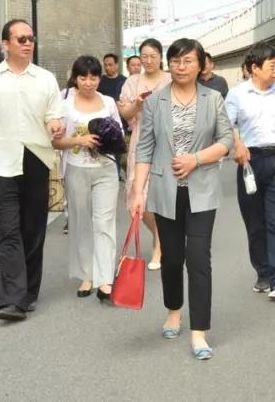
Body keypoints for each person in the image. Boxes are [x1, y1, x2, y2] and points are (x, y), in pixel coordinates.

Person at [130, 38, 232, 361]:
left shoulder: (213, 99)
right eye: (175, 61)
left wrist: (196, 159)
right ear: (168, 64)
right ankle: (173, 310)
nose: (181, 67)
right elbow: (145, 148)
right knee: (172, 258)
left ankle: (199, 331)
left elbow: (226, 140)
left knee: (199, 258)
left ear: (201, 64)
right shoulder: (155, 102)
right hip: (165, 191)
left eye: (188, 61)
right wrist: (137, 191)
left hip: (202, 191)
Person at [0, 19, 64, 322]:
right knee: (7, 231)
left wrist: (55, 125)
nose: (27, 43)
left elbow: (54, 115)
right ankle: (11, 300)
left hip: (36, 158)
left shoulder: (46, 79)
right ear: (5, 43)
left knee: (33, 230)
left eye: (31, 38)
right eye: (21, 39)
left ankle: (29, 292)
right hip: (0, 162)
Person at [225, 43, 275, 301]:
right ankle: (263, 272)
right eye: (271, 66)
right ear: (254, 68)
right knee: (255, 222)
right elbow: (226, 125)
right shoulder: (237, 94)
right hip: (250, 162)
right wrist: (237, 144)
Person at [54, 56, 123, 300]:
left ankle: (105, 278)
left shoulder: (108, 102)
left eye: (93, 77)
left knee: (104, 223)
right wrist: (79, 140)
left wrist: (107, 138)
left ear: (99, 78)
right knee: (81, 222)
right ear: (76, 78)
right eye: (83, 77)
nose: (88, 82)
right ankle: (86, 275)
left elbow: (119, 135)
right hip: (77, 168)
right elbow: (55, 142)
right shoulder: (64, 105)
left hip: (106, 169)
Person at [118, 38, 171, 269]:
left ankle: (159, 244)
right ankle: (160, 235)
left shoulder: (170, 79)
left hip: (167, 140)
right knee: (136, 194)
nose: (148, 61)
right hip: (141, 138)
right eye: (145, 57)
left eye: (153, 56)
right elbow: (125, 113)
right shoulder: (132, 82)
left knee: (160, 192)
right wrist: (138, 104)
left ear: (161, 57)